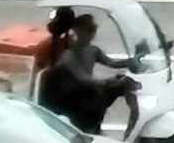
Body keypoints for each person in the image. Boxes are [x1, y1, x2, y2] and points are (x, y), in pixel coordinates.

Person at [36, 9, 129, 137]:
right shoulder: (69, 54)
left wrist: (130, 62)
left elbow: (112, 63)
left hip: (87, 90)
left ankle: (96, 127)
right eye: (88, 30)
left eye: (93, 30)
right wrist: (108, 81)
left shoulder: (93, 50)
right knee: (99, 94)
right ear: (79, 31)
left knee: (112, 90)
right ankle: (89, 128)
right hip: (74, 94)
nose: (91, 34)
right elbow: (81, 78)